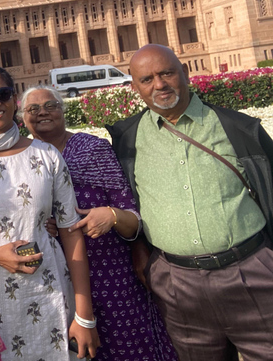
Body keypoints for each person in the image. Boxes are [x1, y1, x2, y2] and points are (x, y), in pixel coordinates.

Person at [107, 44, 273, 361]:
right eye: (147, 79)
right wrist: (140, 249)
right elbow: (127, 203)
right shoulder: (127, 139)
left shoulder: (237, 128)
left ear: (184, 71)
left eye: (167, 73)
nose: (159, 84)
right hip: (177, 285)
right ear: (134, 87)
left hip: (251, 272)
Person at [0, 67, 99, 360]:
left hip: (48, 291)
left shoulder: (46, 155)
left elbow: (70, 231)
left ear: (14, 99)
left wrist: (84, 314)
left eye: (1, 94)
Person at [21, 86, 177, 361]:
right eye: (33, 109)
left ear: (63, 110)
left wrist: (111, 215)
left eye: (51, 105)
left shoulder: (93, 149)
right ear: (23, 117)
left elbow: (133, 217)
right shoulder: (22, 160)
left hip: (110, 273)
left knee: (129, 346)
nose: (42, 112)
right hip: (55, 278)